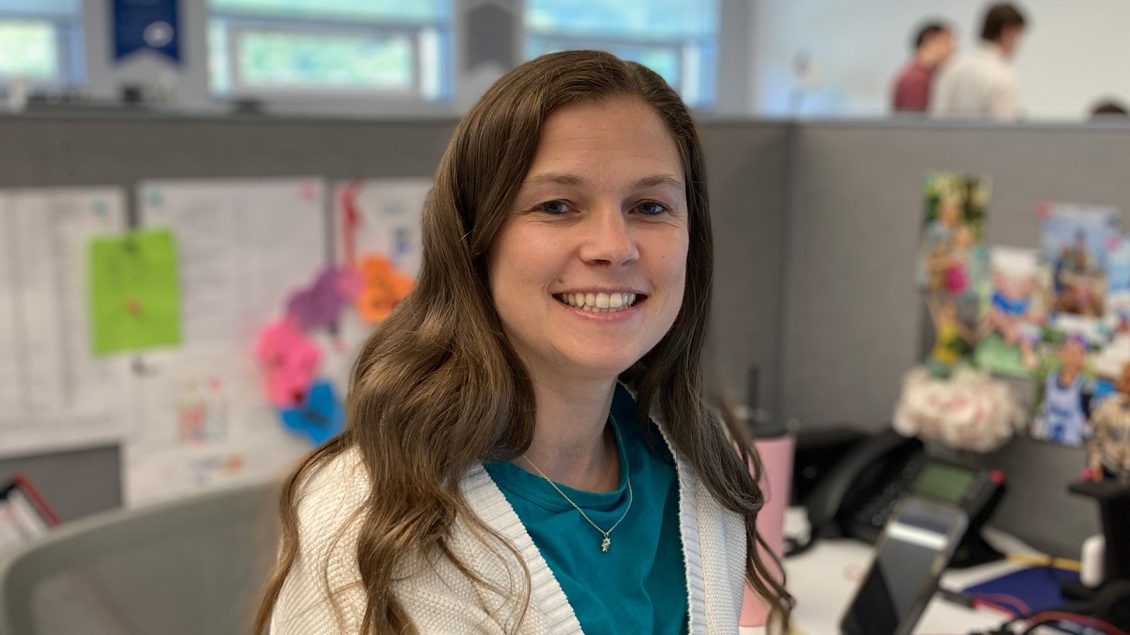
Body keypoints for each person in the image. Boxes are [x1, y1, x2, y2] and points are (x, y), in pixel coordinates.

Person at [255, 50, 792, 634]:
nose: (614, 246)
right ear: (475, 241)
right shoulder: (372, 516)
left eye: (649, 207)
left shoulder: (692, 457)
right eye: (557, 206)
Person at [932, 3, 1028, 120]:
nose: (1018, 44)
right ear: (1007, 31)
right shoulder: (1002, 75)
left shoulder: (951, 67)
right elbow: (1004, 131)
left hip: (946, 138)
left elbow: (936, 119)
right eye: (1018, 36)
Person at [891, 22, 955, 113]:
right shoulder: (917, 79)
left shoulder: (922, 75)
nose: (952, 51)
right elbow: (917, 124)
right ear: (930, 39)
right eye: (948, 43)